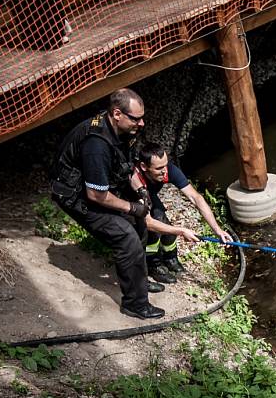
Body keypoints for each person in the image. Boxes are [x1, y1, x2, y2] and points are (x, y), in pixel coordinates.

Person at [49, 88, 198, 320]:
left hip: (99, 187)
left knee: (139, 225)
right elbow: (96, 195)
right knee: (125, 237)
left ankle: (139, 280)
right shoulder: (96, 145)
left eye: (142, 117)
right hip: (77, 196)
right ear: (117, 113)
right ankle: (136, 305)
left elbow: (124, 168)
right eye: (136, 118)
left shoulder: (121, 130)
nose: (141, 123)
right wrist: (131, 207)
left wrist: (140, 190)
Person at [132, 142, 233, 283]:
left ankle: (170, 258)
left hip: (149, 194)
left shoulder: (169, 170)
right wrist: (181, 231)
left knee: (163, 221)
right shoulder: (134, 180)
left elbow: (196, 198)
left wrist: (217, 229)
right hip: (131, 202)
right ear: (144, 167)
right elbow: (149, 223)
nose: (164, 171)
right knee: (151, 232)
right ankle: (153, 264)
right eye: (159, 168)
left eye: (165, 166)